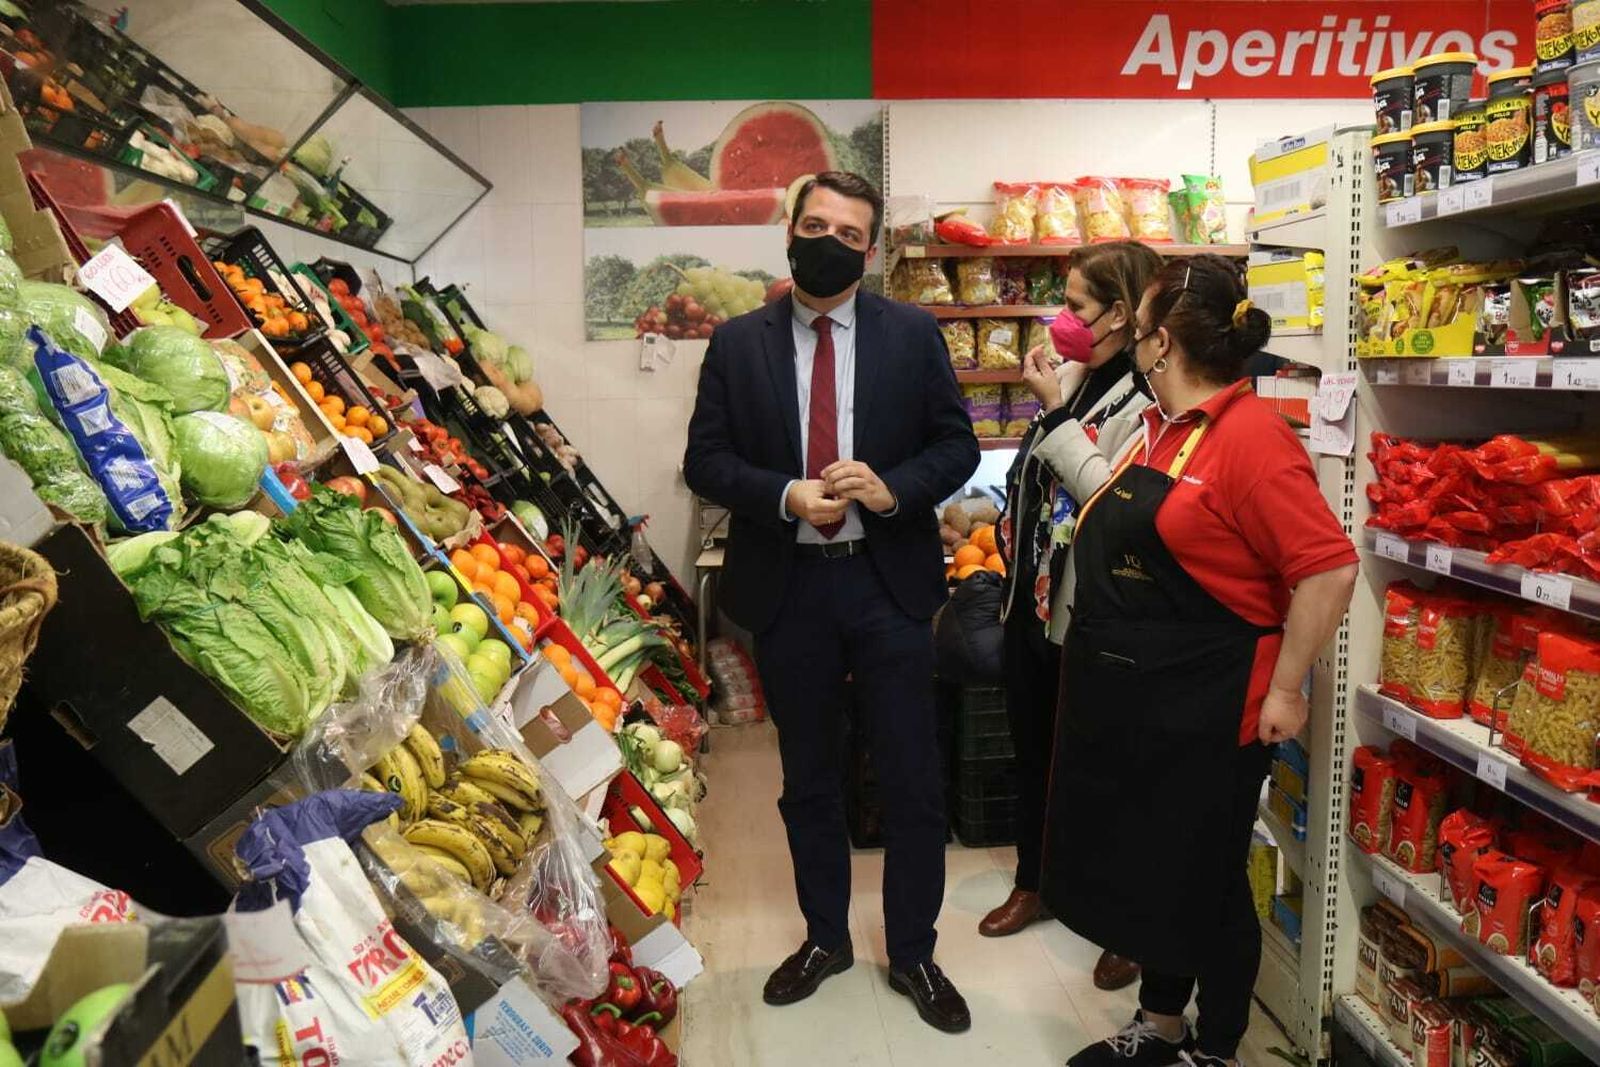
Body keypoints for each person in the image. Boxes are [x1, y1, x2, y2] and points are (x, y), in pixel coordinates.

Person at [1041, 255, 1358, 1067]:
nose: (1129, 339)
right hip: (1142, 694)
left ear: (1161, 342)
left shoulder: (1250, 438)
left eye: (1138, 326)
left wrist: (1286, 686)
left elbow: (1327, 565)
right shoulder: (1158, 428)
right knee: (1157, 866)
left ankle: (1215, 1046)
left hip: (1215, 700)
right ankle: (1161, 1023)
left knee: (1208, 877)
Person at [682, 171, 980, 1034]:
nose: (830, 241)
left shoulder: (912, 333)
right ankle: (825, 938)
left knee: (913, 776)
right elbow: (706, 460)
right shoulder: (737, 343)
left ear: (872, 249)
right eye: (815, 223)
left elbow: (955, 443)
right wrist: (781, 494)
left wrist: (891, 491)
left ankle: (915, 949)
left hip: (887, 584)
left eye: (850, 233)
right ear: (789, 228)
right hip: (791, 589)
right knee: (807, 777)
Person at [977, 242, 1160, 997]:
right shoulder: (1079, 379)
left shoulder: (1146, 400)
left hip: (1089, 620)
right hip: (1033, 604)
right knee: (1034, 752)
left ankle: (1129, 922)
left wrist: (1055, 413)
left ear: (1120, 314)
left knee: (1107, 770)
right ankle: (1037, 879)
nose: (1064, 318)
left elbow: (1112, 503)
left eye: (1079, 305)